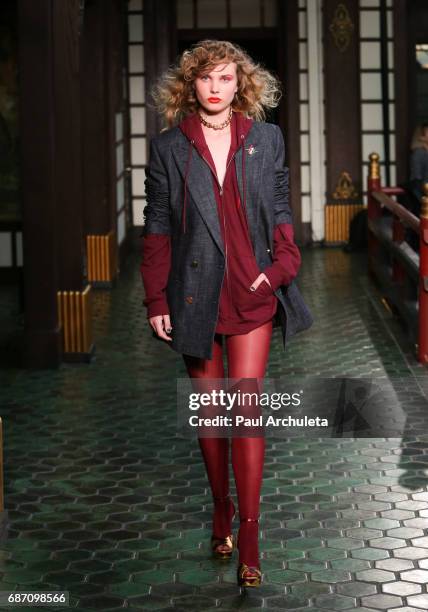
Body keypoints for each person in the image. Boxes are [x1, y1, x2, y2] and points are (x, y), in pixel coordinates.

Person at [140, 40, 312, 588]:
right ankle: (221, 509)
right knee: (211, 419)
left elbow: (280, 206)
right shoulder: (170, 147)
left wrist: (283, 262)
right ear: (191, 85)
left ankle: (252, 535)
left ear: (242, 85)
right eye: (206, 79)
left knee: (247, 411)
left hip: (251, 287)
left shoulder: (266, 138)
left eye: (226, 79)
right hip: (193, 293)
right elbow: (159, 226)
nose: (216, 88)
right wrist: (155, 299)